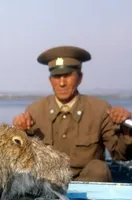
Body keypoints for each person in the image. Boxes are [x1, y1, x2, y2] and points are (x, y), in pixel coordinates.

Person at [13, 46, 132, 182]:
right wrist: (19, 132)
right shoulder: (35, 110)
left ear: (80, 78)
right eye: (57, 76)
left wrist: (126, 128)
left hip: (89, 183)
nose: (62, 83)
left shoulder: (99, 109)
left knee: (99, 169)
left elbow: (121, 155)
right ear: (50, 80)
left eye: (68, 75)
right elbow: (21, 160)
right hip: (48, 183)